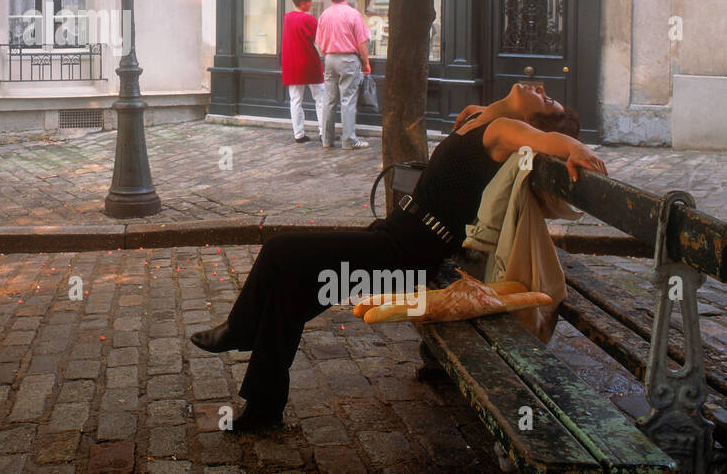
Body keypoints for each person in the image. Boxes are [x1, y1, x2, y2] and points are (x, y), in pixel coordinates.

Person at [189, 82, 606, 431]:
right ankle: (264, 407)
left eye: (547, 101)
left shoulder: (503, 130)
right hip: (396, 238)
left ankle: (239, 331)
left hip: (407, 255)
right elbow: (510, 124)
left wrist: (570, 145)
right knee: (290, 290)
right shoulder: (481, 116)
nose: (541, 89)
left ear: (530, 119)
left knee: (281, 250)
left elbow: (544, 140)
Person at [315, 0, 371, 150]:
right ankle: (349, 140)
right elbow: (362, 42)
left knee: (329, 100)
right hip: (348, 59)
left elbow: (318, 42)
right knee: (348, 100)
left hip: (330, 58)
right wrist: (366, 63)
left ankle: (327, 139)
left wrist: (328, 55)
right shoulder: (353, 14)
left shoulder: (324, 14)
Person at [281, 0, 324, 144]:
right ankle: (324, 132)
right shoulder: (309, 19)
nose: (311, 4)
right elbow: (320, 39)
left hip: (291, 63)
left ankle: (298, 134)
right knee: (320, 98)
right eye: (309, 1)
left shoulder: (287, 18)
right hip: (309, 62)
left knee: (295, 100)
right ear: (302, 3)